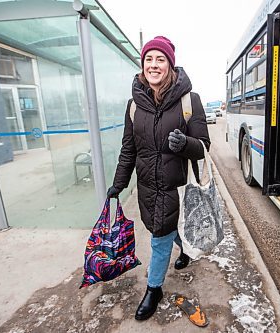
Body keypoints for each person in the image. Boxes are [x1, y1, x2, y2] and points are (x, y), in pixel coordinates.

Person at [106, 36, 210, 321]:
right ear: (143, 65)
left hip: (176, 188)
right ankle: (185, 249)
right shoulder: (134, 105)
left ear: (170, 65)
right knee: (163, 228)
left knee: (159, 238)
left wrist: (184, 144)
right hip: (147, 188)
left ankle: (154, 289)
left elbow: (203, 146)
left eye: (160, 59)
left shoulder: (190, 100)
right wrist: (119, 183)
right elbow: (129, 149)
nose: (154, 65)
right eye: (149, 59)